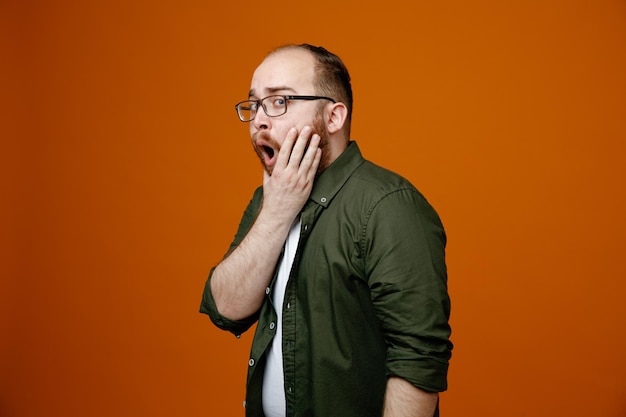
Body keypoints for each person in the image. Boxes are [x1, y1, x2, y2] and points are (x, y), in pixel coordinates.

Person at [200, 44, 452, 417]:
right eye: (254, 105)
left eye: (280, 101)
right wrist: (277, 211)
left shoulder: (388, 205)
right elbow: (227, 308)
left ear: (333, 117)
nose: (260, 121)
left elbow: (419, 358)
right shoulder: (268, 200)